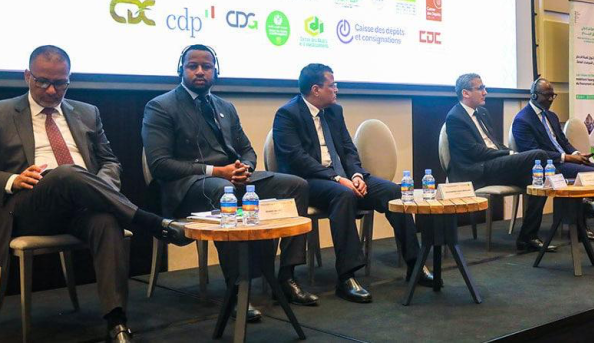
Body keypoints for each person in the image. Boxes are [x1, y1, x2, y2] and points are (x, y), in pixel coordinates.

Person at [0, 45, 186, 343]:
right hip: (30, 204)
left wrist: (100, 185)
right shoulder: (4, 112)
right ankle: (149, 221)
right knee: (66, 173)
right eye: (43, 82)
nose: (52, 91)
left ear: (69, 79)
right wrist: (12, 179)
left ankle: (116, 321)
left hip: (82, 206)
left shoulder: (87, 112)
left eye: (61, 83)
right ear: (27, 76)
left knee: (106, 222)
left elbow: (110, 162)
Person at [142, 45, 318, 322]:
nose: (200, 71)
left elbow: (247, 150)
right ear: (180, 70)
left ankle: (286, 276)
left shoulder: (225, 107)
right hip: (188, 186)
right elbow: (160, 165)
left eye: (207, 66)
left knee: (295, 185)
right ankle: (237, 291)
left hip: (231, 179)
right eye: (193, 66)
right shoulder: (161, 106)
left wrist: (244, 167)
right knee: (223, 192)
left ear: (216, 71)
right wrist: (217, 171)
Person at [272, 63, 433, 303]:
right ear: (316, 89)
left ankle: (415, 264)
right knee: (343, 194)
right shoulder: (287, 114)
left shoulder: (334, 112)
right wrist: (337, 178)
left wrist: (356, 175)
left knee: (394, 192)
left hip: (344, 178)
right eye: (332, 85)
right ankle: (346, 277)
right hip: (309, 182)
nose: (336, 89)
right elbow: (296, 159)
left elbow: (348, 149)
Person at [445, 73, 557, 253]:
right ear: (465, 93)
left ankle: (528, 237)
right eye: (480, 88)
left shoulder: (482, 112)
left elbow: (494, 143)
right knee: (539, 155)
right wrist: (510, 154)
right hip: (476, 170)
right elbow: (474, 152)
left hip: (493, 164)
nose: (485, 92)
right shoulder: (455, 117)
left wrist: (509, 154)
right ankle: (530, 236)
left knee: (538, 179)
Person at [512, 78, 594, 240]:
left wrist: (577, 153)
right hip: (550, 165)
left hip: (566, 160)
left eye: (553, 95)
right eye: (547, 95)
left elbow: (563, 142)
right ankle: (581, 227)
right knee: (586, 173)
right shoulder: (522, 120)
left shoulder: (551, 116)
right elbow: (532, 152)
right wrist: (567, 158)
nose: (551, 99)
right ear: (534, 95)